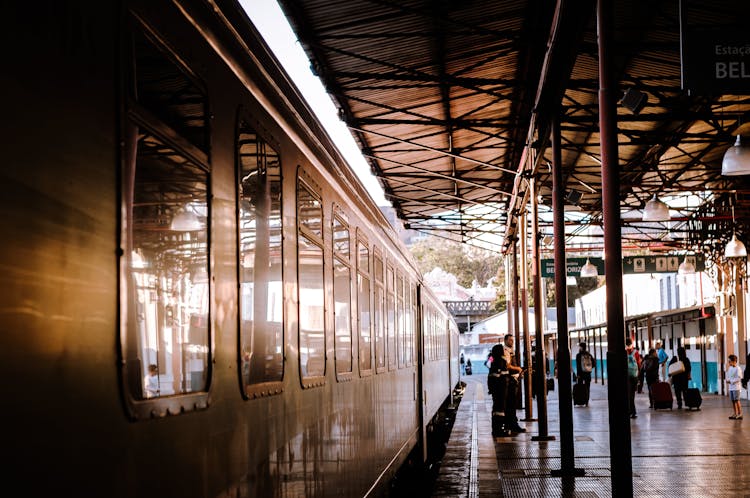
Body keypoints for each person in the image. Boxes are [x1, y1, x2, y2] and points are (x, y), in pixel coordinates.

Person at [501, 334, 525, 433]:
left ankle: (511, 424)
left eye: (513, 340)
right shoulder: (505, 351)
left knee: (511, 404)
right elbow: (508, 366)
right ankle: (512, 425)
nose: (512, 342)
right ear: (505, 341)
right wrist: (518, 369)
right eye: (510, 340)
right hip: (510, 382)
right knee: (511, 405)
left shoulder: (510, 351)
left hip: (512, 380)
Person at [726, 354, 743, 419]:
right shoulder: (730, 368)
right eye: (728, 361)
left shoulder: (738, 368)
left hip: (736, 387)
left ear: (734, 361)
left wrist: (731, 381)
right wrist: (727, 380)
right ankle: (735, 413)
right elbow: (728, 376)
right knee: (733, 401)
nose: (729, 362)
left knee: (737, 400)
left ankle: (740, 413)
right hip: (731, 387)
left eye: (729, 361)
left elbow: (739, 378)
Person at [625, 338, 639, 419]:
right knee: (632, 396)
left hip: (627, 376)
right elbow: (639, 364)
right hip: (634, 376)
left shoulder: (624, 352)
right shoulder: (635, 352)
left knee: (628, 395)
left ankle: (631, 412)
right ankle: (633, 412)